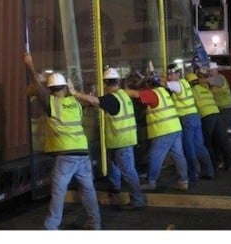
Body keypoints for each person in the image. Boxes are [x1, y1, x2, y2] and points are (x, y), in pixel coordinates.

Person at [23, 53, 101, 230]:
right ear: (65, 88)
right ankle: (95, 223)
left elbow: (36, 85)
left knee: (58, 193)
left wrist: (30, 65)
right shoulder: (75, 103)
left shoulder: (51, 102)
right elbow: (92, 102)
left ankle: (51, 228)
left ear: (51, 90)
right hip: (82, 152)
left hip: (66, 155)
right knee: (88, 190)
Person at [66, 67, 145, 211]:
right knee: (115, 166)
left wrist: (75, 93)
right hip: (122, 140)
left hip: (121, 142)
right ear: (118, 81)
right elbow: (99, 103)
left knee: (128, 172)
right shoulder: (123, 95)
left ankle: (138, 201)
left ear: (105, 83)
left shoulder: (111, 98)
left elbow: (94, 100)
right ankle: (114, 189)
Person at [124, 71, 189, 191]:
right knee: (178, 156)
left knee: (154, 156)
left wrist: (120, 92)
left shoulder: (152, 94)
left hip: (163, 131)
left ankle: (151, 182)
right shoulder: (163, 92)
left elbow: (136, 94)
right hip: (175, 128)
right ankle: (184, 181)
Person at [165, 64, 215, 182]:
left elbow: (164, 84)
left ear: (177, 74)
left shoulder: (177, 84)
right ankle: (209, 171)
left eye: (171, 74)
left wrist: (156, 78)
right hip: (195, 117)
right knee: (199, 146)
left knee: (189, 148)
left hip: (187, 119)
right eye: (168, 74)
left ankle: (193, 174)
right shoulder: (185, 83)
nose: (169, 76)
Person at [186, 72, 231, 172]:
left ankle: (213, 167)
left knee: (208, 143)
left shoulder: (191, 92)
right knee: (221, 140)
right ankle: (230, 164)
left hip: (206, 117)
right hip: (217, 114)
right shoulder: (206, 90)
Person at [207, 62, 231, 150]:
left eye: (212, 71)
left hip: (226, 105)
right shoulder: (213, 80)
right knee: (230, 124)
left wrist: (196, 81)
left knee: (228, 124)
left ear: (217, 70)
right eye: (209, 71)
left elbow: (206, 81)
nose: (210, 73)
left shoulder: (220, 78)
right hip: (219, 106)